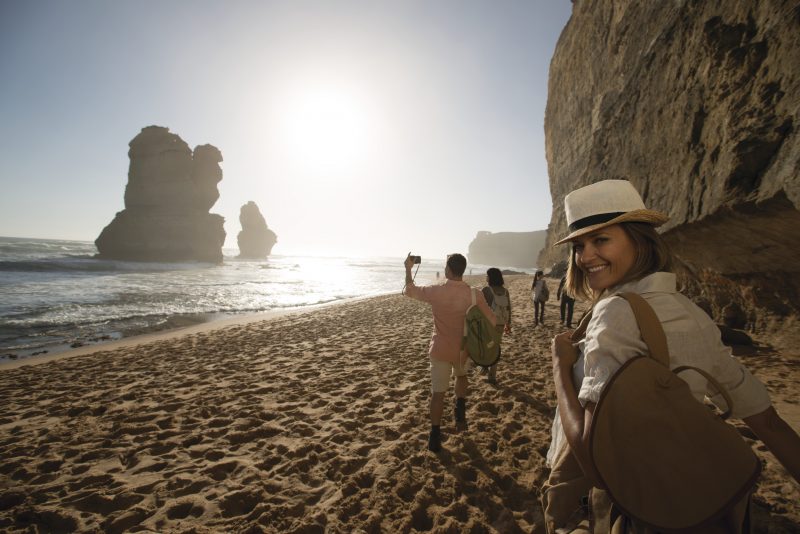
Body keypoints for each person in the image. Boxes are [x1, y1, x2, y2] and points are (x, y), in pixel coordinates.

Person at [544, 179, 800, 531]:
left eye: (601, 239)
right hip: (691, 494)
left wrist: (560, 366)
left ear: (639, 238)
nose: (585, 256)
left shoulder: (614, 314)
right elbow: (767, 422)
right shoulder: (691, 313)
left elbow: (592, 455)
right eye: (579, 245)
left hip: (636, 504)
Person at [403, 252, 495, 452]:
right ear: (462, 270)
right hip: (464, 349)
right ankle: (459, 407)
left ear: (448, 270)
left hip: (440, 350)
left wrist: (409, 269)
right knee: (461, 376)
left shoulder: (437, 291)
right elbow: (492, 320)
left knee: (438, 394)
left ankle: (435, 435)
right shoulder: (474, 294)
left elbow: (409, 290)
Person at [481, 267, 512, 384]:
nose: (486, 277)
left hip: (488, 323)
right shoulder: (505, 291)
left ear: (490, 277)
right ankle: (492, 376)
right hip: (500, 323)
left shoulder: (486, 290)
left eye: (487, 275)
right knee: (495, 347)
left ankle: (484, 366)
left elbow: (480, 307)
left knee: (485, 345)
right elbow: (509, 308)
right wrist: (508, 323)